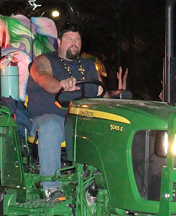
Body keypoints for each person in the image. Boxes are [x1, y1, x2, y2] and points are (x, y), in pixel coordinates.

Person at [26, 23, 126, 200]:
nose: (74, 43)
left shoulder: (88, 66)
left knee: (114, 128)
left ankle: (100, 187)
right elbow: (44, 79)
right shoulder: (43, 61)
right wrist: (60, 85)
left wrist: (118, 97)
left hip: (81, 121)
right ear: (59, 42)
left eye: (77, 39)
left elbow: (100, 93)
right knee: (51, 125)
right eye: (69, 39)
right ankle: (51, 187)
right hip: (51, 120)